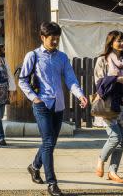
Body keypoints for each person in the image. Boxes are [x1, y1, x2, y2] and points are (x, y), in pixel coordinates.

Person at [19, 22, 88, 196]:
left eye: (57, 39)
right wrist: (34, 98)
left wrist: (79, 95)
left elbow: (71, 79)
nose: (55, 42)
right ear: (43, 37)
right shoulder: (33, 56)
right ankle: (52, 183)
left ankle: (34, 166)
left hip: (58, 105)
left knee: (50, 142)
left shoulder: (62, 57)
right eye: (52, 39)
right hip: (41, 104)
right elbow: (22, 80)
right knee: (49, 142)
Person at [94, 30, 123, 185]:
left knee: (122, 140)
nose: (122, 43)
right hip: (108, 103)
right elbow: (99, 82)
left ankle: (113, 172)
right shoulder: (103, 60)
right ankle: (100, 159)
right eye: (118, 40)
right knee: (115, 137)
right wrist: (117, 79)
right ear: (111, 43)